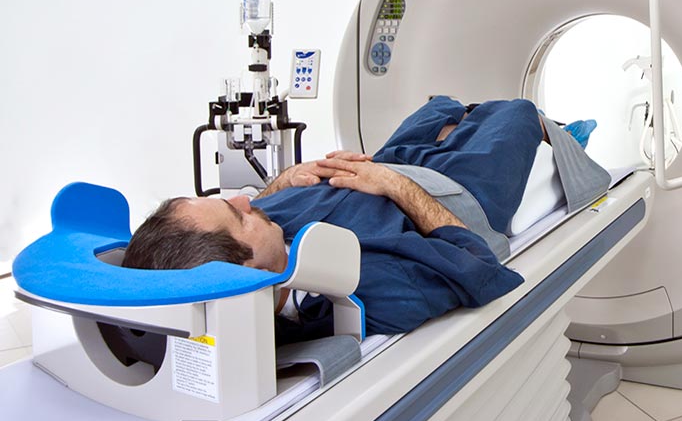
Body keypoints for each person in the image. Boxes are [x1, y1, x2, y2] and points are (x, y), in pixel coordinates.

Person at [122, 97, 555, 341]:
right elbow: (480, 265)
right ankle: (470, 133)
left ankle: (453, 125)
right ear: (249, 271)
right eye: (237, 216)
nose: (244, 200)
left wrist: (286, 180)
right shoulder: (358, 291)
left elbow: (260, 206)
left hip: (377, 167)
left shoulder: (262, 242)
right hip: (451, 186)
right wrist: (395, 186)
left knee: (436, 105)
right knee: (515, 112)